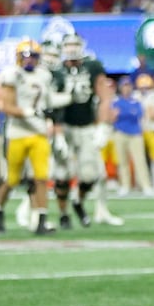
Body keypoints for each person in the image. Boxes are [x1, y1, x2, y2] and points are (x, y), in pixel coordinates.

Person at [0, 38, 56, 235]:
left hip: (39, 132)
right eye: (25, 57)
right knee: (12, 179)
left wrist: (50, 118)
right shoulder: (12, 75)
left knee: (42, 177)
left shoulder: (45, 76)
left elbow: (47, 103)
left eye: (33, 57)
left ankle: (41, 219)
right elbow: (7, 106)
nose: (29, 61)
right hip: (17, 132)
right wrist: (26, 113)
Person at [49, 34, 117, 227]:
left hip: (87, 126)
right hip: (64, 126)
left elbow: (104, 96)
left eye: (75, 44)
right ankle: (63, 214)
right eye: (68, 45)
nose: (71, 49)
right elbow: (50, 105)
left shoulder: (93, 66)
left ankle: (78, 200)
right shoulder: (56, 70)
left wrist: (103, 125)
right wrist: (57, 132)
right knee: (62, 175)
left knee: (89, 175)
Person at [110, 77, 148, 196]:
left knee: (140, 160)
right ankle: (125, 185)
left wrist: (122, 113)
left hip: (135, 133)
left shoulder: (136, 102)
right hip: (120, 132)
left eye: (128, 85)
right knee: (122, 161)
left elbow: (137, 114)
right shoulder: (116, 102)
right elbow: (113, 116)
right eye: (124, 86)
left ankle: (145, 185)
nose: (126, 88)